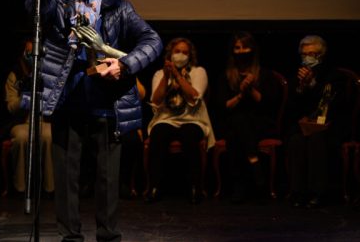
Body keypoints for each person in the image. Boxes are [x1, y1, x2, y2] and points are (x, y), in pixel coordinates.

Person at [25, 0, 162, 242]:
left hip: (107, 104)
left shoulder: (120, 8)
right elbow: (31, 9)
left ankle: (109, 237)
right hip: (67, 100)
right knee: (66, 179)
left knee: (107, 179)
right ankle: (71, 238)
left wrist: (124, 65)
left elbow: (153, 41)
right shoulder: (57, 5)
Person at [145, 37, 215, 204]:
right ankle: (155, 187)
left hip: (192, 119)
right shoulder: (159, 74)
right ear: (170, 54)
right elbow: (155, 100)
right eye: (177, 51)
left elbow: (194, 96)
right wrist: (167, 77)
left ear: (190, 56)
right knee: (158, 133)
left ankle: (195, 187)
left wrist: (177, 75)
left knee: (190, 135)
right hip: (166, 118)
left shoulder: (199, 72)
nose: (181, 55)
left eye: (185, 52)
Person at [216, 31, 279, 203]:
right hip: (232, 122)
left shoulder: (264, 74)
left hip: (261, 122)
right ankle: (255, 168)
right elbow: (223, 107)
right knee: (238, 122)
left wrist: (251, 89)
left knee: (239, 128)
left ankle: (239, 186)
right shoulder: (225, 76)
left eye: (245, 47)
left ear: (253, 49)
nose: (241, 51)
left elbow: (268, 104)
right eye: (237, 48)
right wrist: (241, 95)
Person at [286, 35, 344, 208]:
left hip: (329, 125)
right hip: (305, 125)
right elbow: (291, 108)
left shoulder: (333, 75)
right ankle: (298, 191)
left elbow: (334, 103)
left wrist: (312, 84)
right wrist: (301, 87)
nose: (308, 58)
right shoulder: (297, 75)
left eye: (312, 54)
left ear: (321, 55)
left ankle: (318, 192)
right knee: (296, 139)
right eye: (305, 54)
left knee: (317, 140)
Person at [4, 38, 54, 195]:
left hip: (44, 120)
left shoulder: (49, 74)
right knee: (21, 138)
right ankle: (20, 187)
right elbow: (10, 107)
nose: (33, 56)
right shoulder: (15, 75)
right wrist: (24, 99)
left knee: (48, 136)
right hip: (22, 122)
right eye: (29, 52)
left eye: (36, 53)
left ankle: (50, 187)